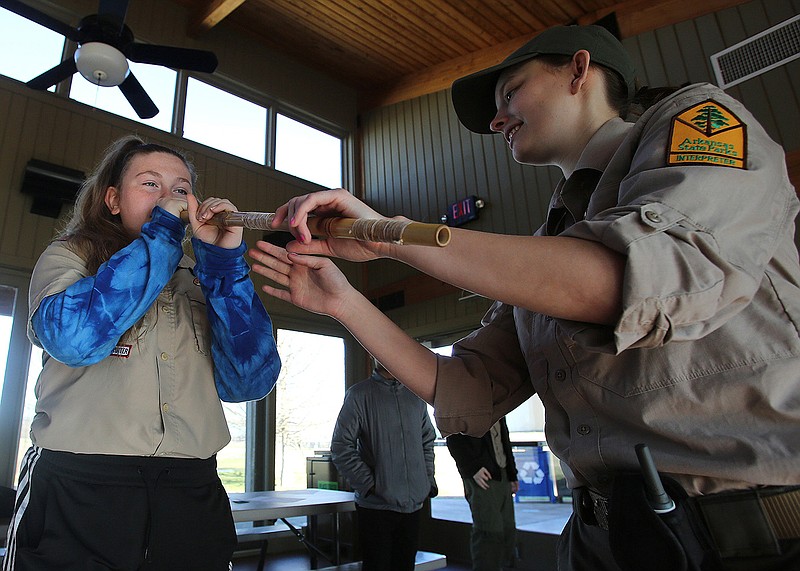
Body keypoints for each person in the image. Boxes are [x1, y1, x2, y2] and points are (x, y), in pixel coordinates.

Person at [248, 23, 800, 571]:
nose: (495, 119)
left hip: (751, 537)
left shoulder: (702, 123)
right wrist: (342, 302)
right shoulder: (549, 248)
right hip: (607, 540)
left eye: (510, 93)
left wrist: (392, 235)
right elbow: (466, 387)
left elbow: (623, 278)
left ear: (579, 71)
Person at [3, 135, 281, 571]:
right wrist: (164, 233)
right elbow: (73, 339)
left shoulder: (205, 276)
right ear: (113, 199)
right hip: (79, 486)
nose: (171, 196)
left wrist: (225, 263)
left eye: (182, 188)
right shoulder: (69, 257)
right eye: (151, 184)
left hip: (191, 491)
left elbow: (250, 380)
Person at [330, 360, 437, 571]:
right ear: (373, 356)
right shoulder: (359, 395)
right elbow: (341, 446)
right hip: (376, 508)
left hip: (413, 505)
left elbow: (427, 441)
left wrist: (427, 479)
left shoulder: (416, 396)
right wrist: (371, 486)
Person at [446, 417, 519, 571]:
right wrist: (472, 467)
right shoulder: (463, 399)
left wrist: (511, 474)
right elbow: (451, 433)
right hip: (483, 474)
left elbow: (503, 436)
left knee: (507, 530)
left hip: (501, 471)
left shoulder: (497, 398)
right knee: (489, 532)